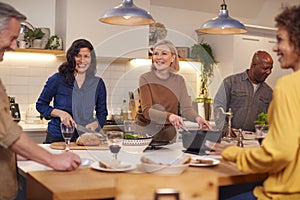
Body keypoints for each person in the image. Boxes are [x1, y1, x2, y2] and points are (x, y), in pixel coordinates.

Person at [206, 5, 300, 200]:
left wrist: (232, 153)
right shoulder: (231, 82)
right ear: (253, 65)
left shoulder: (287, 86)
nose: (275, 47)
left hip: (283, 193)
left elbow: (279, 154)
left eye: (280, 40)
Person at [0, 2, 81, 199]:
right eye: (12, 38)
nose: (14, 46)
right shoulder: (57, 79)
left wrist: (17, 154)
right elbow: (7, 131)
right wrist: (52, 160)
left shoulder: (96, 83)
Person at [135, 40, 211, 143]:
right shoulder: (145, 78)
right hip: (144, 132)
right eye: (156, 54)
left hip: (168, 133)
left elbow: (186, 109)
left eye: (164, 53)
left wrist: (198, 118)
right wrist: (170, 116)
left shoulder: (179, 80)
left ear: (173, 58)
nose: (158, 57)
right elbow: (147, 111)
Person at [36, 39, 108, 143]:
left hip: (84, 138)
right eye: (78, 56)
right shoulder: (57, 79)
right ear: (71, 58)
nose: (82, 60)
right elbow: (41, 105)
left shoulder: (98, 84)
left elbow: (102, 114)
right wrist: (60, 113)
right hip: (58, 136)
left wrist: (95, 124)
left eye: (86, 56)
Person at [213, 50, 273, 134]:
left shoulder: (268, 92)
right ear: (254, 66)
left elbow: (271, 119)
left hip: (253, 140)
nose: (269, 72)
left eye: (270, 68)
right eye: (265, 68)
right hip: (229, 138)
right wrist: (226, 129)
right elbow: (218, 108)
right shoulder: (230, 82)